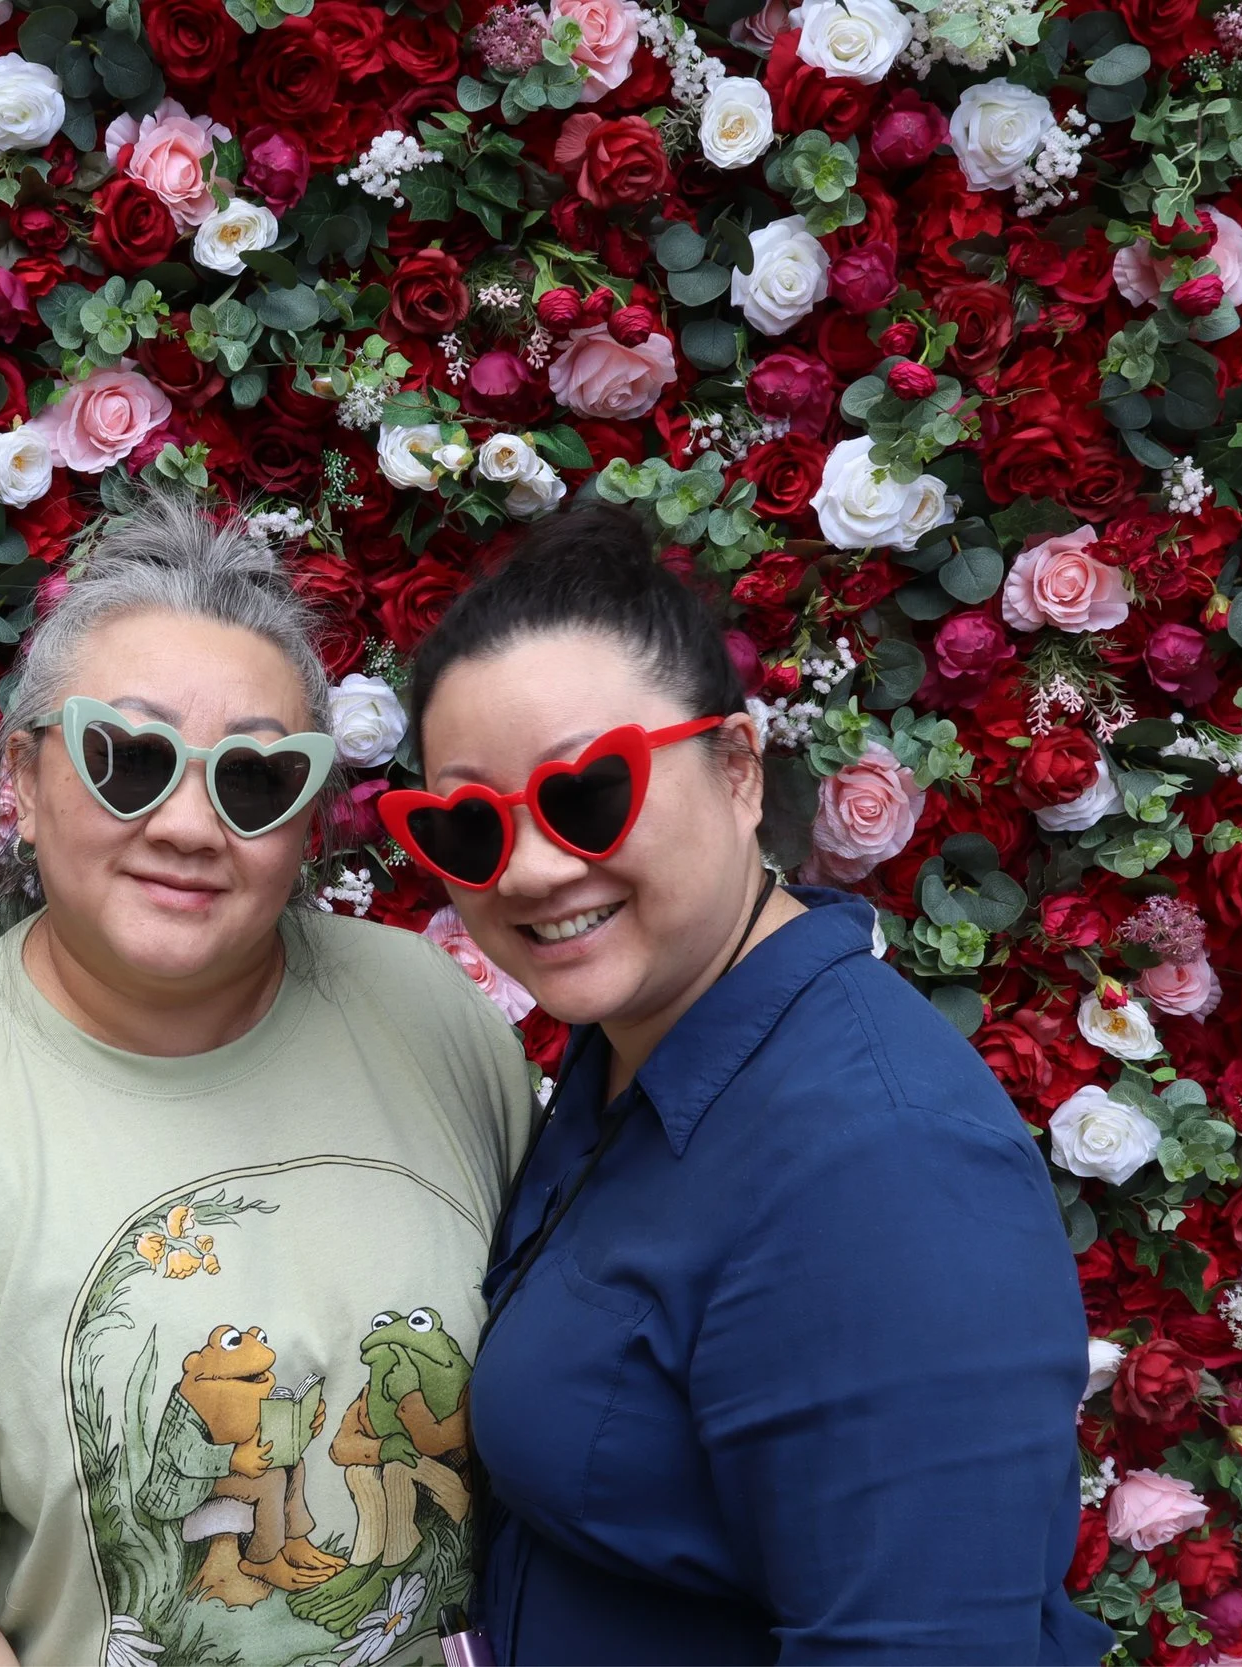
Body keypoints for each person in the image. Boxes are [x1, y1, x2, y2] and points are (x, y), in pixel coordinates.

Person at [0, 498, 538, 1667]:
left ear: (306, 819)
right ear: (22, 781)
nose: (188, 823)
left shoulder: (430, 1013)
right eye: (126, 759)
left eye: (253, 777)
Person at [381, 504, 1113, 1665]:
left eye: (587, 794)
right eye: (466, 827)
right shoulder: (638, 1046)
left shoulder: (883, 1163)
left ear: (733, 769)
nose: (525, 867)